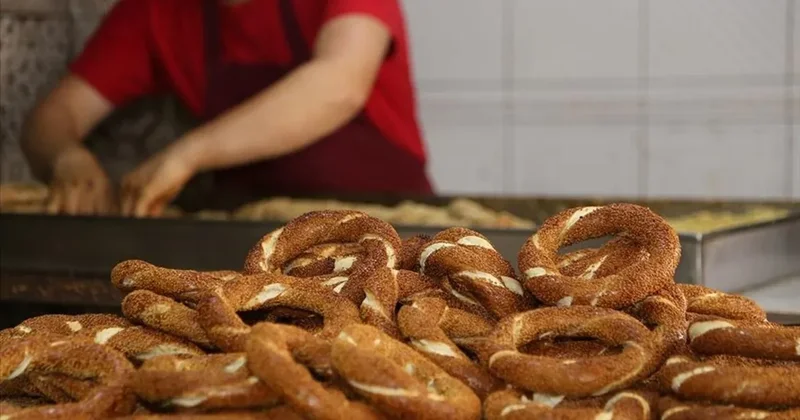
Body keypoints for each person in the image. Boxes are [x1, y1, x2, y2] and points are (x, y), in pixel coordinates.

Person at [22, 0, 433, 218]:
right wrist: (66, 158)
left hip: (388, 234)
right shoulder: (154, 10)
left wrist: (188, 155)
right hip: (243, 248)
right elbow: (52, 117)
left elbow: (339, 84)